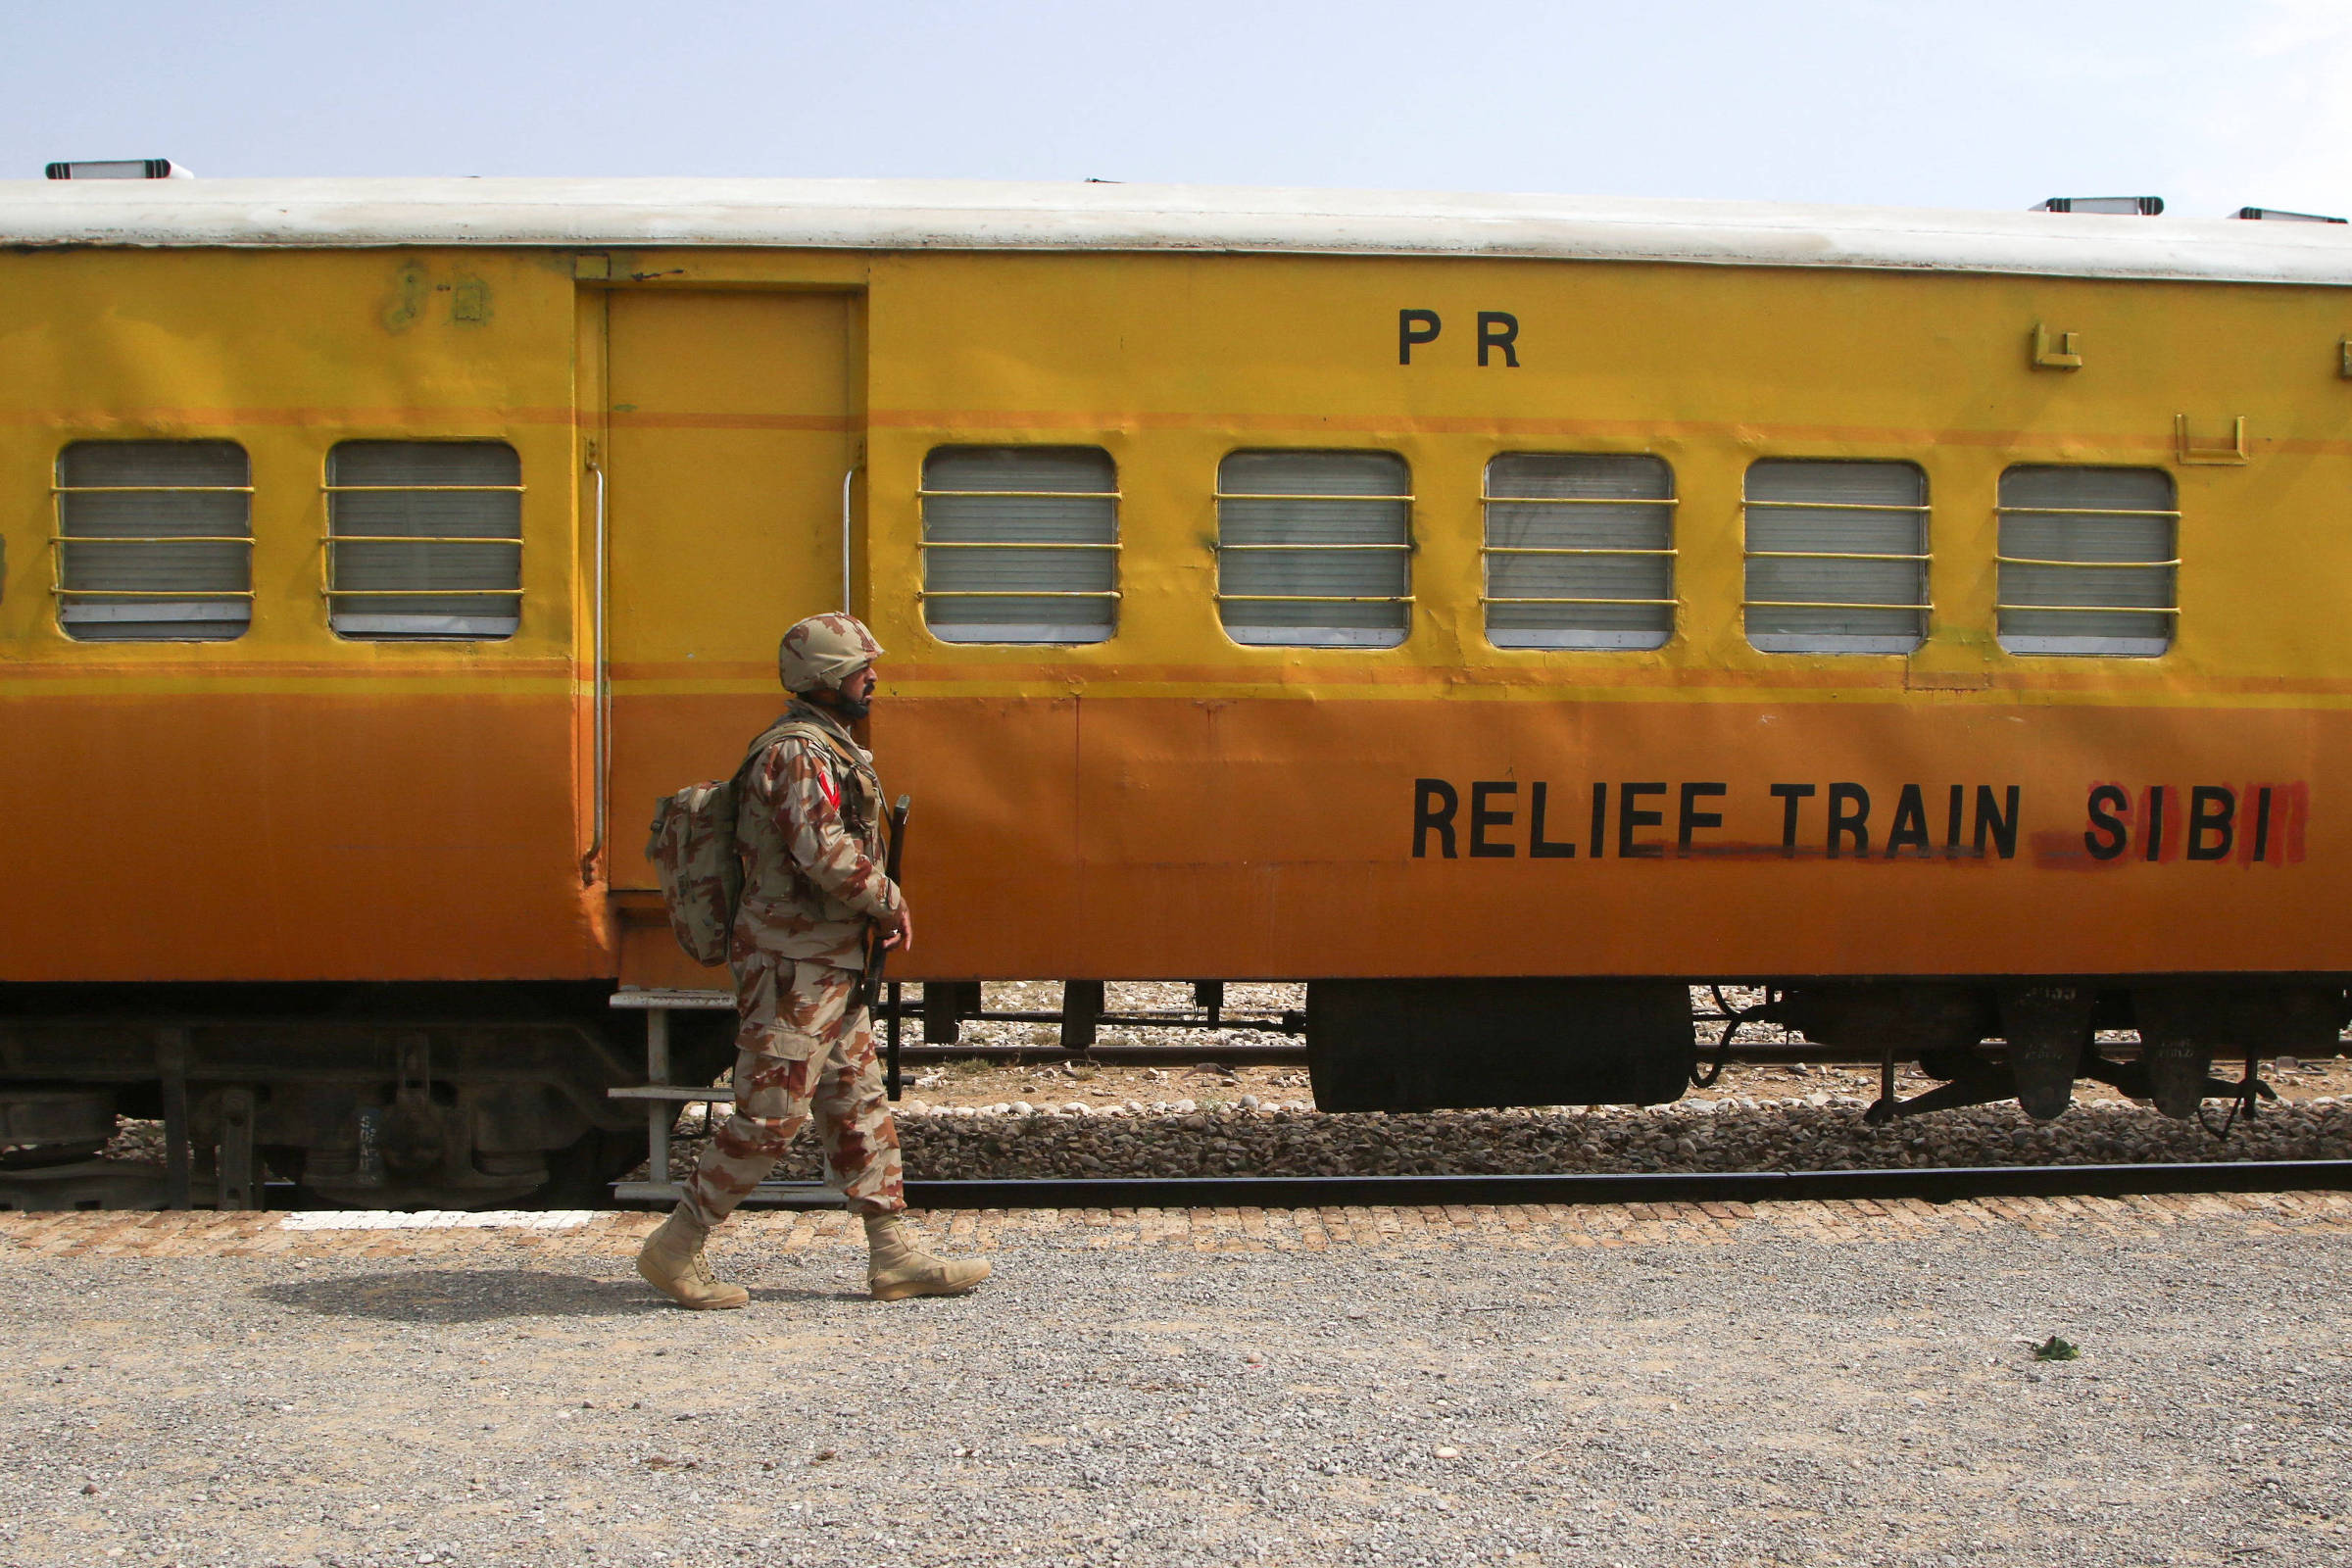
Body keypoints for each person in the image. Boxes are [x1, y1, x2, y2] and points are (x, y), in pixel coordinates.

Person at [636, 612, 992, 1310]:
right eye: (863, 669)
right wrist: (888, 900)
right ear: (828, 679)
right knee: (771, 1115)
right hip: (792, 965)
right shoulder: (798, 752)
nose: (873, 679)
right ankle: (674, 1249)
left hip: (826, 960)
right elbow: (820, 849)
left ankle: (894, 1256)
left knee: (857, 1101)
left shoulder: (828, 745)